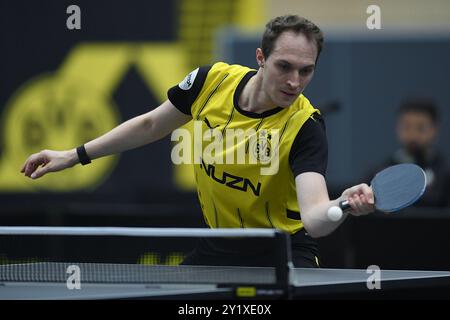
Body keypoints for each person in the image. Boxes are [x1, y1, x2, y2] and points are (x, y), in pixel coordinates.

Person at [21, 15, 375, 268]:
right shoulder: (211, 81)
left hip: (282, 252)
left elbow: (314, 218)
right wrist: (74, 155)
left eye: (306, 70)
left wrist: (342, 204)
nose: (295, 82)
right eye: (284, 67)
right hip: (218, 246)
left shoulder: (305, 126)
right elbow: (149, 125)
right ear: (261, 58)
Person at [368, 98, 450, 207]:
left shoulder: (445, 174)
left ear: (434, 130)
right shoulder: (381, 173)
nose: (413, 135)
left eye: (421, 128)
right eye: (406, 127)